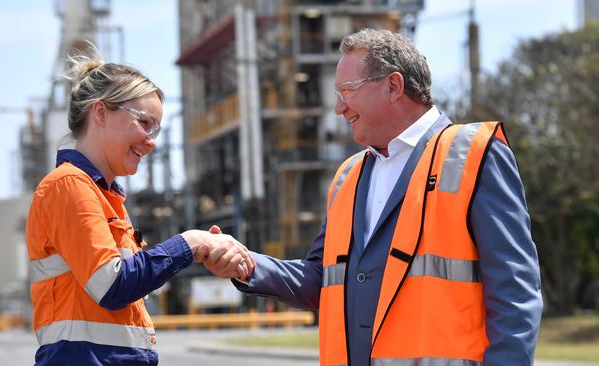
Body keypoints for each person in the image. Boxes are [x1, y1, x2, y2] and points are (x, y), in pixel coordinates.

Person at [226, 28, 543, 365]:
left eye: (347, 91)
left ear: (394, 86)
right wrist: (247, 264)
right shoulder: (348, 177)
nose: (338, 108)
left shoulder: (475, 155)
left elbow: (515, 294)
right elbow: (323, 279)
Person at [25, 49, 255, 366]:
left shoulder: (107, 197)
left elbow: (130, 281)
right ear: (101, 113)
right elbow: (112, 284)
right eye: (144, 123)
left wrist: (201, 251)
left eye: (156, 128)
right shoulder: (68, 186)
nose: (151, 141)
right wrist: (190, 242)